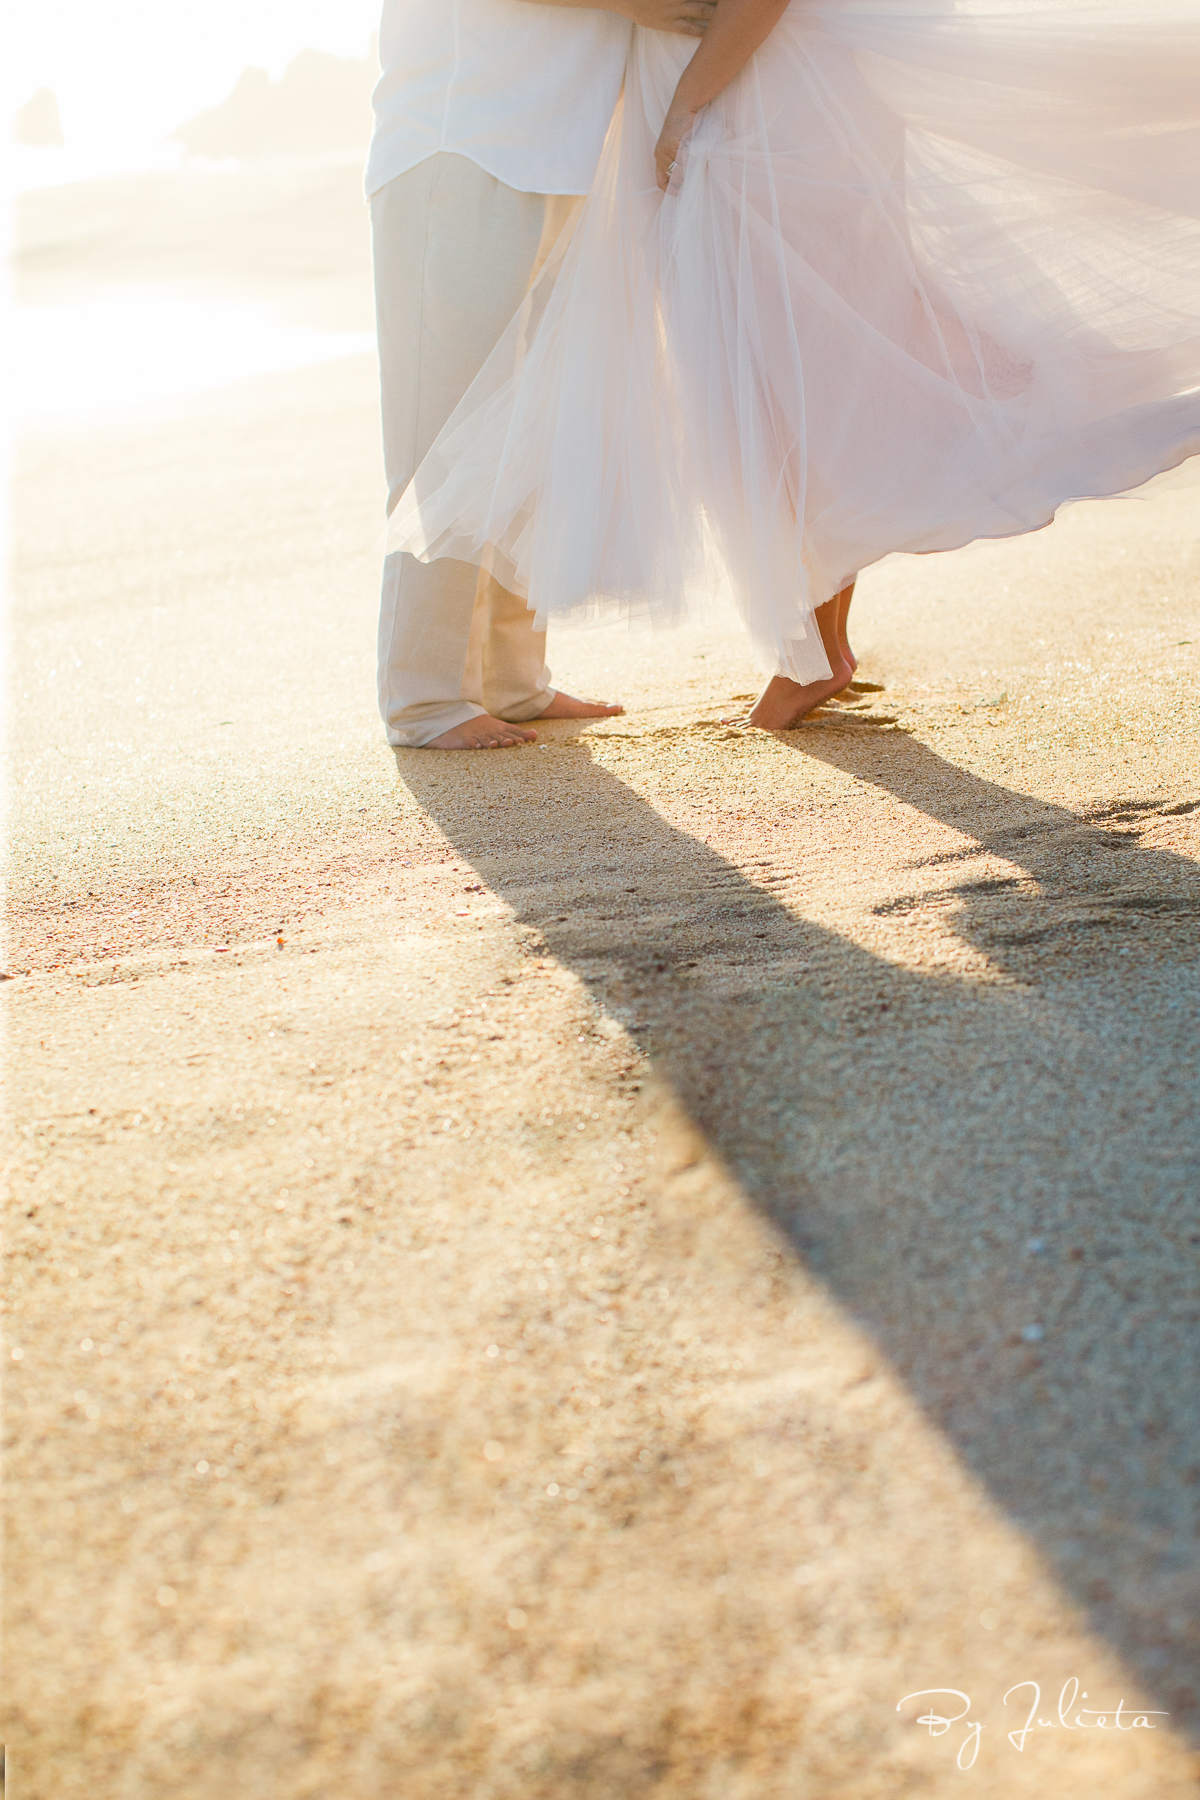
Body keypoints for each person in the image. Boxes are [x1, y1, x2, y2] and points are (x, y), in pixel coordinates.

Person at [387, 0, 1200, 729]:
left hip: (710, 113)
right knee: (472, 412)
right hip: (556, 125)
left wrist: (686, 102)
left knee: (792, 368)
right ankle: (430, 692)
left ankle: (545, 674)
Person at [369, 0, 716, 751]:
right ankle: (423, 698)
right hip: (459, 143)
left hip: (566, 151)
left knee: (531, 427)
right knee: (444, 429)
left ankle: (512, 680)